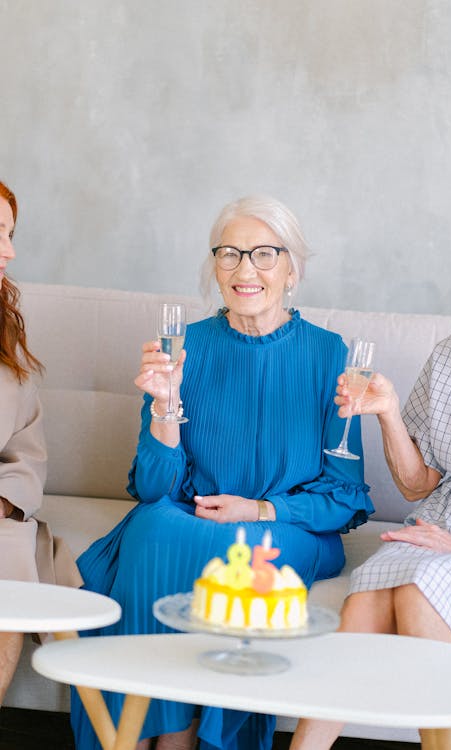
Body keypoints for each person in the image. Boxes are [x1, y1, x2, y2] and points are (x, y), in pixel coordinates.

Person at [71, 195, 374, 750]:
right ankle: (133, 733)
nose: (244, 269)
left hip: (286, 526)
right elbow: (154, 487)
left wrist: (259, 508)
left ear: (292, 269)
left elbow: (345, 496)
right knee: (153, 525)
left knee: (237, 551)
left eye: (263, 253)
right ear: (214, 267)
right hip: (190, 511)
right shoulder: (186, 347)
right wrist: (165, 405)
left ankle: (181, 735)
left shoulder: (331, 355)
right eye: (229, 254)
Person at [290, 200, 451, 750]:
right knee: (368, 596)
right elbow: (416, 485)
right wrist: (387, 412)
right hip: (441, 525)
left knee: (420, 588)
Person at [0, 180, 82, 706]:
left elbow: (27, 446)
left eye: (10, 235)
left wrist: (5, 501)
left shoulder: (5, 331)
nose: (9, 251)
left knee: (8, 559)